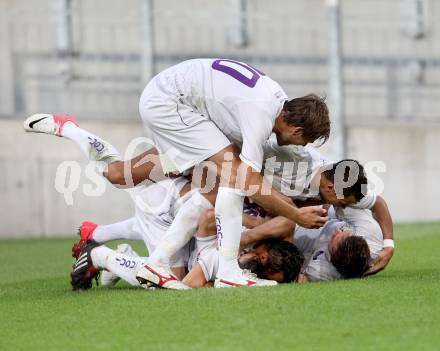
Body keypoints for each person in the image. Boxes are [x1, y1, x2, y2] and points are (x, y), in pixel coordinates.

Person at [24, 58, 331, 287]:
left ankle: (71, 131)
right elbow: (247, 181)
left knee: (118, 175)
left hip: (182, 107)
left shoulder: (276, 103)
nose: (301, 146)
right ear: (295, 126)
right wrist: (296, 215)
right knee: (233, 180)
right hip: (172, 105)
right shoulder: (261, 115)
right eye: (304, 139)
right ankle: (226, 272)